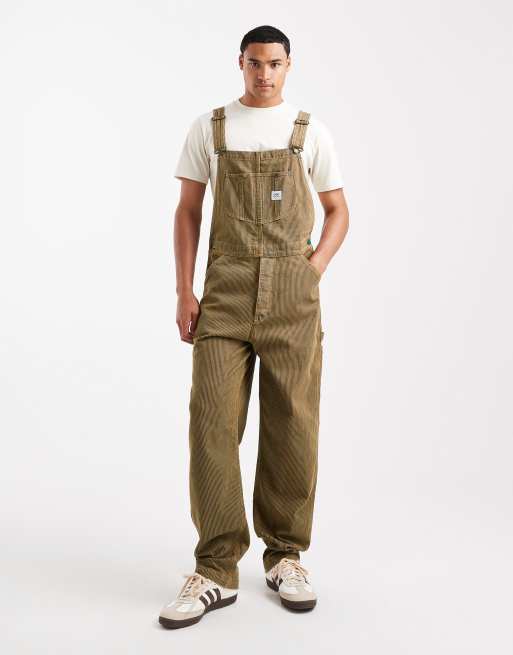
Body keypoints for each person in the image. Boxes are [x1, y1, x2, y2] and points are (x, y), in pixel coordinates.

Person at [159, 24, 349, 629]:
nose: (264, 74)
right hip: (225, 291)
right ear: (239, 63)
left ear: (289, 66)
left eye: (274, 64)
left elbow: (338, 211)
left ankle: (285, 555)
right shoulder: (210, 128)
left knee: (293, 423)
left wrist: (311, 271)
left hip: (293, 293)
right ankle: (216, 568)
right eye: (254, 63)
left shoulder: (309, 131)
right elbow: (188, 211)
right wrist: (184, 290)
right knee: (212, 422)